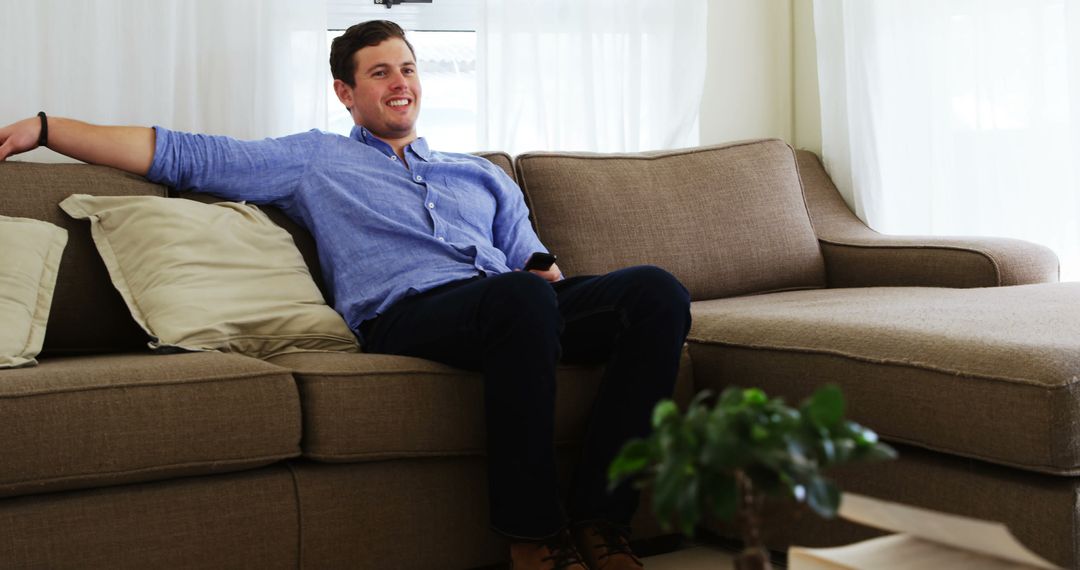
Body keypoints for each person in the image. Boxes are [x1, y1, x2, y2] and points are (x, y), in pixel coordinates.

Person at [0, 20, 691, 570]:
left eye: (409, 67)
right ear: (346, 93)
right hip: (410, 314)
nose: (400, 82)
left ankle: (603, 520)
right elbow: (186, 153)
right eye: (380, 71)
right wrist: (45, 127)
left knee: (656, 293)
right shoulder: (315, 159)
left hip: (513, 306)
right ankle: (535, 536)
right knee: (520, 302)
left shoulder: (478, 174)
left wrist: (545, 275)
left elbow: (537, 268)